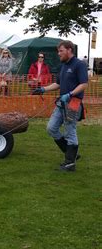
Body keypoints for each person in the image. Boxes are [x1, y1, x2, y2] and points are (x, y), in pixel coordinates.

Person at [32, 40, 88, 172]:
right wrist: (43, 89)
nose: (59, 54)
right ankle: (72, 154)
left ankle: (70, 163)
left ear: (69, 50)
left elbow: (84, 84)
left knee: (70, 131)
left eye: (61, 51)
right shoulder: (63, 65)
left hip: (73, 102)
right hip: (62, 102)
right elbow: (58, 84)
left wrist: (70, 94)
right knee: (51, 128)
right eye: (58, 51)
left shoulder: (79, 65)